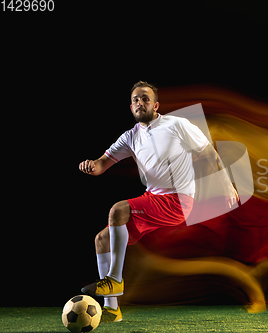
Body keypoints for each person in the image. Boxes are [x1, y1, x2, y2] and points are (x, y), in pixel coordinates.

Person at [78, 81, 238, 322]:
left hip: (178, 200)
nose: (140, 103)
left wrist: (226, 184)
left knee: (118, 210)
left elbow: (208, 153)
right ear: (130, 107)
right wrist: (91, 165)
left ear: (155, 105)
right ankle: (112, 308)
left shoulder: (177, 124)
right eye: (135, 100)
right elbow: (102, 164)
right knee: (102, 239)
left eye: (145, 99)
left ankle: (113, 280)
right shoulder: (130, 137)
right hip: (152, 199)